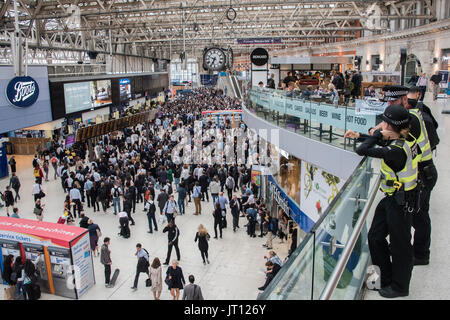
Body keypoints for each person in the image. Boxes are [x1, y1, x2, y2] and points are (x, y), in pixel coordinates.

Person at [345, 104, 420, 298]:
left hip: (401, 202)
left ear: (389, 125)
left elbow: (363, 150)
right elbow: (381, 144)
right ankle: (384, 278)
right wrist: (361, 135)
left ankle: (400, 287)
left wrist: (375, 135)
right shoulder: (407, 139)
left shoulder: (396, 152)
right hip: (392, 198)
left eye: (384, 122)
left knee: (400, 246)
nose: (381, 124)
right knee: (375, 237)